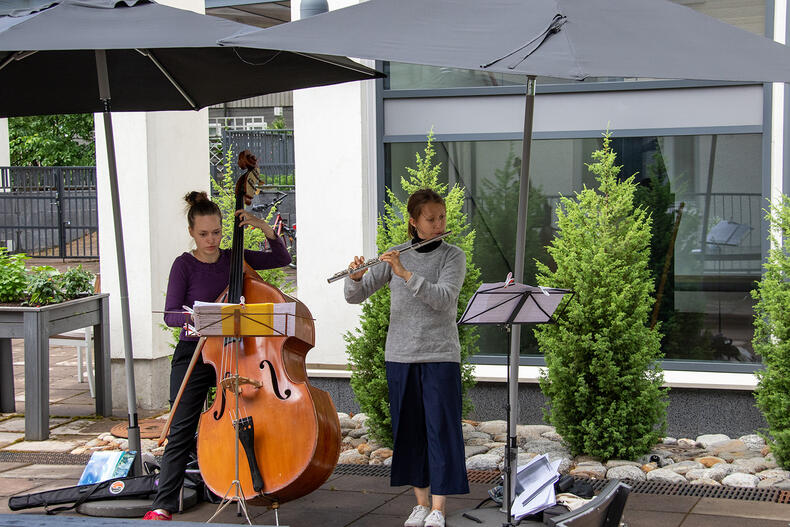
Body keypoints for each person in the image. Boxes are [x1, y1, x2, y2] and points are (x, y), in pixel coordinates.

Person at [143, 191, 291, 521]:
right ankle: (163, 503)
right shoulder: (184, 265)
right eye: (204, 234)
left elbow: (280, 258)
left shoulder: (233, 259)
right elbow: (170, 315)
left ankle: (245, 485)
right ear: (192, 233)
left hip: (238, 353)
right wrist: (195, 318)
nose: (212, 240)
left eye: (217, 232)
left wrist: (263, 226)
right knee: (181, 427)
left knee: (246, 420)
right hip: (196, 351)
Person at [344, 189, 469, 527]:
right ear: (414, 223)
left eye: (441, 217)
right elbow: (357, 296)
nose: (440, 224)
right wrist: (355, 278)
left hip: (440, 356)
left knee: (441, 431)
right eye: (431, 219)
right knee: (410, 433)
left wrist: (405, 274)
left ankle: (440, 509)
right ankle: (421, 504)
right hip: (400, 356)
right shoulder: (396, 254)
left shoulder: (453, 257)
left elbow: (444, 299)